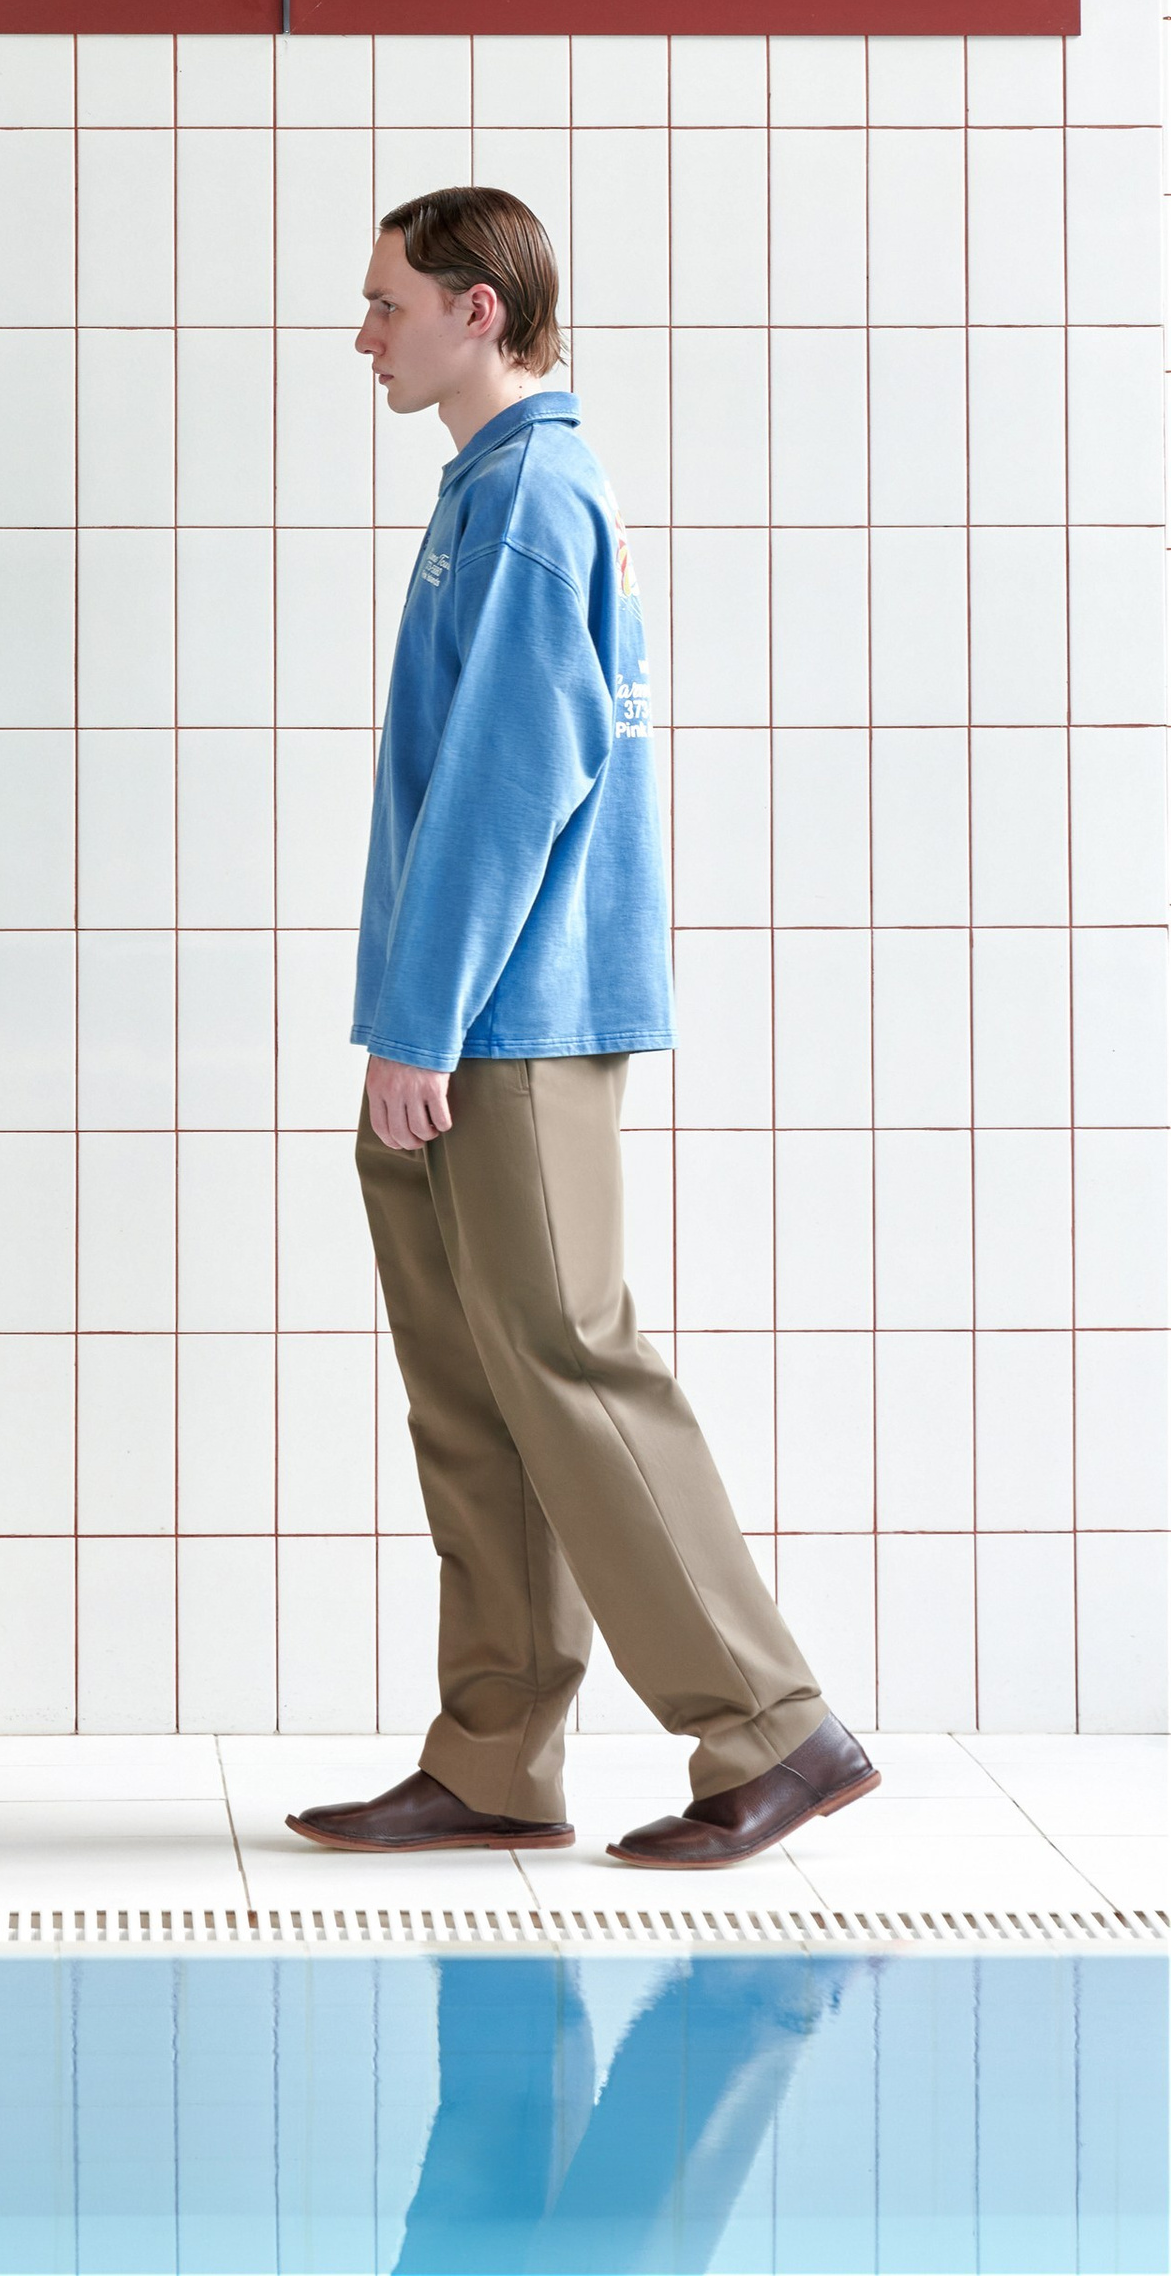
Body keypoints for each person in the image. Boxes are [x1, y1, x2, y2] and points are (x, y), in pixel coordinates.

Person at [286, 189, 879, 1871]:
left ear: (480, 311)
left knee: (572, 1361)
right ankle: (494, 1752)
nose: (365, 333)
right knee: (473, 1389)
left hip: (507, 1024)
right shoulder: (485, 491)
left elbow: (509, 786)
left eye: (387, 301)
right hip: (450, 1019)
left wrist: (424, 1022)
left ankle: (775, 1726)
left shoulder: (539, 493)